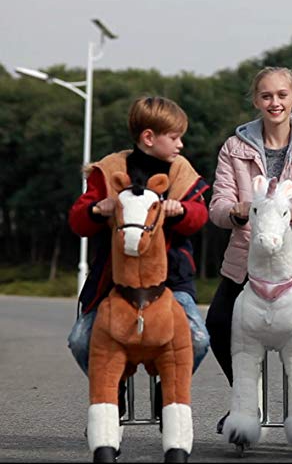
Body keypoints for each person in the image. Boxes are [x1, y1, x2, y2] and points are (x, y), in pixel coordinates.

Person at [206, 66, 292, 433]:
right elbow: (217, 204)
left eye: (282, 95)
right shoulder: (234, 148)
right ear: (256, 101)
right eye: (266, 96)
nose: (275, 102)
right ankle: (246, 401)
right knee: (218, 324)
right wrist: (235, 212)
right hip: (247, 261)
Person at [67, 96, 210, 422]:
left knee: (198, 339)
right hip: (114, 280)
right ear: (149, 137)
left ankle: (169, 388)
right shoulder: (109, 171)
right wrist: (96, 209)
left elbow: (199, 218)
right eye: (174, 138)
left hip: (171, 280)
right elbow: (78, 221)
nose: (181, 144)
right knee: (79, 340)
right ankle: (110, 390)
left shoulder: (181, 172)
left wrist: (181, 210)